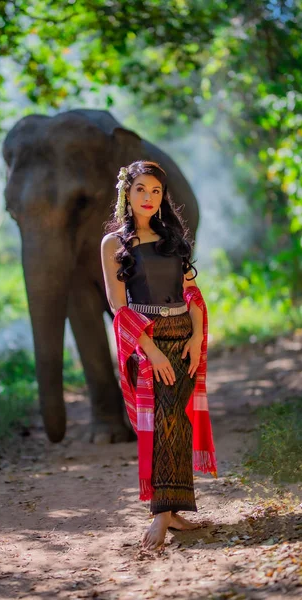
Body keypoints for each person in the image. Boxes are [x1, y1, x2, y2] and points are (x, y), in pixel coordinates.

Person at [101, 160, 217, 551]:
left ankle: (173, 510)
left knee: (178, 421)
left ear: (163, 197)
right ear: (127, 194)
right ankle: (161, 514)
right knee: (164, 419)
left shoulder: (173, 237)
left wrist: (198, 334)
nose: (148, 198)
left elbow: (191, 292)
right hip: (147, 342)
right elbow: (119, 306)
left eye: (155, 191)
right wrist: (150, 350)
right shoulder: (113, 244)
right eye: (140, 190)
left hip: (183, 336)